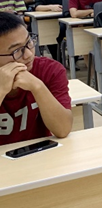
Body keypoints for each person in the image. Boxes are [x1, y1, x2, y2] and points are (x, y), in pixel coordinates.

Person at [0, 12, 72, 144]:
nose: (28, 54)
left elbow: (63, 130)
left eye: (29, 42)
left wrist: (38, 87)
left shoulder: (50, 70)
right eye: (16, 50)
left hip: (38, 152)